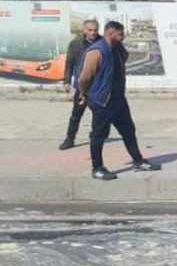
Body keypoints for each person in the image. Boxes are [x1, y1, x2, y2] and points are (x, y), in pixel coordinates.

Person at [76, 21, 160, 180]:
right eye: (120, 34)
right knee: (99, 135)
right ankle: (97, 168)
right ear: (110, 33)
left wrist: (120, 47)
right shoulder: (97, 51)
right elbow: (84, 78)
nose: (123, 37)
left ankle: (138, 161)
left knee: (128, 130)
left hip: (118, 99)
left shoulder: (116, 48)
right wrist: (84, 94)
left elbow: (125, 58)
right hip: (102, 100)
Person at [59, 18, 100, 150]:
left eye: (95, 30)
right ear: (84, 30)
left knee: (99, 114)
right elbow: (69, 63)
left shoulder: (103, 42)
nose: (93, 33)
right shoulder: (76, 43)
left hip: (98, 86)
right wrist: (66, 81)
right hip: (82, 85)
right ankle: (70, 138)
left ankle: (96, 136)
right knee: (76, 114)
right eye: (90, 30)